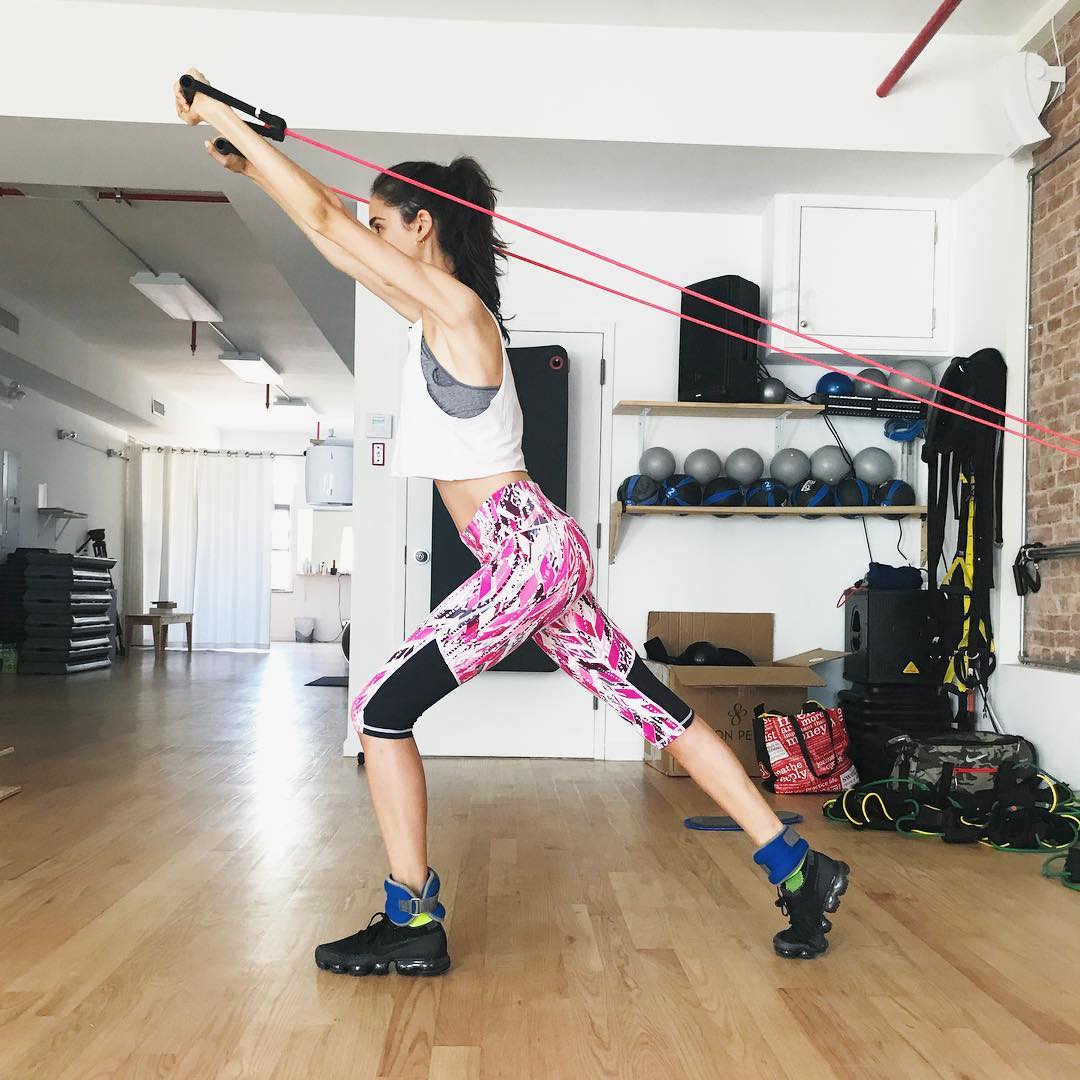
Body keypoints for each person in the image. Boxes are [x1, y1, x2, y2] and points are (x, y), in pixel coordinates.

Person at [174, 71, 850, 973]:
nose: (372, 237)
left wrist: (234, 124)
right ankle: (799, 868)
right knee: (660, 711)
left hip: (525, 553)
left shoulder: (460, 313)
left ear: (422, 225)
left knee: (378, 710)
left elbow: (334, 226)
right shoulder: (433, 317)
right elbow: (335, 241)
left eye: (385, 223)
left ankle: (414, 922)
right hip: (535, 552)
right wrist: (256, 167)